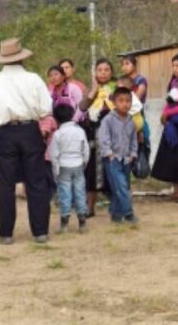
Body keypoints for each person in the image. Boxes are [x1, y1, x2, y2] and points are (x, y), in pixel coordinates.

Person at [0, 37, 54, 244]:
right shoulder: (34, 79)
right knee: (36, 182)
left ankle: (6, 233)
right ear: (22, 58)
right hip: (30, 131)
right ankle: (40, 232)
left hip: (5, 132)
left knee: (6, 184)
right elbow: (46, 108)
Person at [78, 59, 116, 217]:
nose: (103, 73)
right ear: (95, 73)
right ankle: (90, 207)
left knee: (115, 169)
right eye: (99, 70)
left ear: (112, 72)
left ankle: (118, 207)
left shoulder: (118, 87)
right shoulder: (91, 89)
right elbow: (82, 107)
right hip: (93, 133)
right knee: (92, 170)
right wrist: (94, 90)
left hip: (114, 133)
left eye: (106, 70)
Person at [98, 87, 139, 224]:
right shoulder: (108, 120)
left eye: (128, 101)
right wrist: (109, 154)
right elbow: (103, 138)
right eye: (121, 101)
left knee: (120, 186)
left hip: (126, 159)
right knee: (121, 186)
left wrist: (133, 154)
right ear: (114, 102)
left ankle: (116, 215)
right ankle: (128, 213)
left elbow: (133, 139)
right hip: (113, 159)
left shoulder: (131, 120)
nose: (125, 104)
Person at [151, 53, 178, 201]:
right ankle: (177, 189)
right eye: (173, 66)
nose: (175, 69)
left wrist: (167, 114)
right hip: (171, 124)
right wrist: (164, 114)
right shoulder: (173, 82)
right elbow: (170, 102)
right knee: (171, 157)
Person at [49, 104, 89, 233]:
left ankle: (64, 224)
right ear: (72, 115)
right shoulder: (80, 131)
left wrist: (55, 171)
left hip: (64, 166)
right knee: (80, 192)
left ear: (56, 119)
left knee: (64, 194)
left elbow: (54, 154)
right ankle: (82, 223)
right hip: (78, 164)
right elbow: (85, 148)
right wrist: (84, 162)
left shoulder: (58, 134)